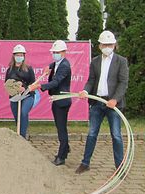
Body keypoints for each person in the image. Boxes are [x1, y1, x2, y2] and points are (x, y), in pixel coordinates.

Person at [75, 30, 129, 174]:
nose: (107, 47)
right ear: (99, 46)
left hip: (113, 105)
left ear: (114, 45)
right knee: (92, 133)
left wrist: (115, 99)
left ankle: (120, 167)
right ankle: (85, 163)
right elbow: (91, 80)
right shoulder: (95, 61)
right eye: (104, 44)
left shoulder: (121, 61)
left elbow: (123, 83)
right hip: (97, 103)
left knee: (116, 135)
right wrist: (86, 91)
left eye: (110, 44)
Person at [36, 40, 72, 166]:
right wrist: (49, 67)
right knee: (60, 126)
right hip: (56, 99)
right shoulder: (58, 63)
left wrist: (40, 86)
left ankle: (61, 157)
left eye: (57, 52)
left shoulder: (64, 66)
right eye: (53, 52)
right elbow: (53, 65)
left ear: (63, 52)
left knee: (61, 129)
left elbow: (56, 82)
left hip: (62, 101)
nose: (54, 54)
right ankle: (66, 148)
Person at [5, 44, 36, 139]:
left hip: (27, 95)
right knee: (17, 117)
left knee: (23, 112)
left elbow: (33, 83)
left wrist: (25, 88)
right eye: (17, 55)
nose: (19, 57)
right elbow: (7, 84)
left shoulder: (29, 69)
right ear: (13, 56)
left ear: (24, 56)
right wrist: (14, 88)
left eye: (21, 55)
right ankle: (19, 133)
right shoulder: (9, 70)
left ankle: (22, 136)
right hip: (14, 97)